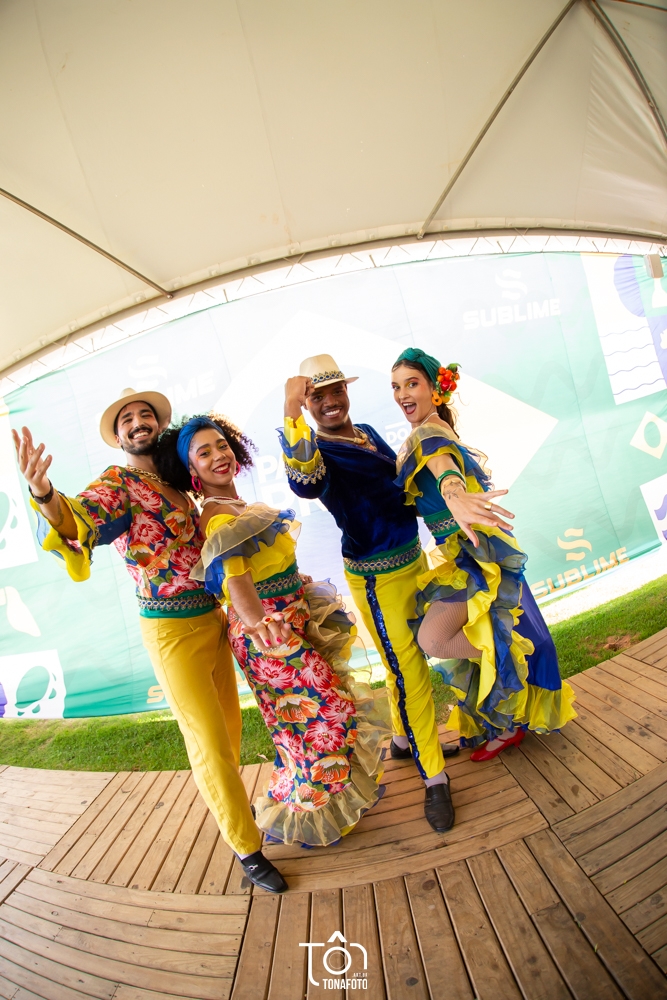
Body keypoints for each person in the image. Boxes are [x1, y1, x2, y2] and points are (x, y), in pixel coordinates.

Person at [12, 388, 287, 893]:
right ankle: (247, 848)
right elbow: (78, 520)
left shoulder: (178, 482)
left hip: (212, 620)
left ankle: (235, 810)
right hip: (170, 631)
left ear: (159, 426)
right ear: (119, 437)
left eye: (146, 415)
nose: (138, 422)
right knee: (206, 743)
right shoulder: (117, 483)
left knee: (228, 731)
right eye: (127, 420)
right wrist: (45, 494)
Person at [156, 413, 390, 847]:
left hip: (287, 619)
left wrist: (292, 584)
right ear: (192, 469)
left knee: (302, 724)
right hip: (268, 634)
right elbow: (237, 579)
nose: (218, 455)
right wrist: (259, 623)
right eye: (204, 453)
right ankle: (309, 813)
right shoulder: (218, 517)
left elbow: (264, 566)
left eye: (222, 445)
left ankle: (320, 800)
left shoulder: (238, 505)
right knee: (327, 714)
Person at [279, 354, 459, 835]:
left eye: (336, 390)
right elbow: (303, 482)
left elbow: (399, 489)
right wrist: (290, 409)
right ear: (307, 405)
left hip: (414, 561)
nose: (330, 402)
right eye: (317, 396)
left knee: (406, 663)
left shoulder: (367, 433)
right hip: (378, 578)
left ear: (347, 391)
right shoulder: (316, 452)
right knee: (410, 671)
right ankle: (434, 776)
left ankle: (403, 740)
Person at [391, 347, 577, 759]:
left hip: (475, 554)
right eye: (396, 386)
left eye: (412, 383)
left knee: (436, 638)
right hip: (470, 552)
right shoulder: (432, 429)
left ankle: (516, 674)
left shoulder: (428, 433)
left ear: (435, 390)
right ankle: (508, 712)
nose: (402, 394)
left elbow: (445, 471)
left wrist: (454, 495)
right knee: (483, 635)